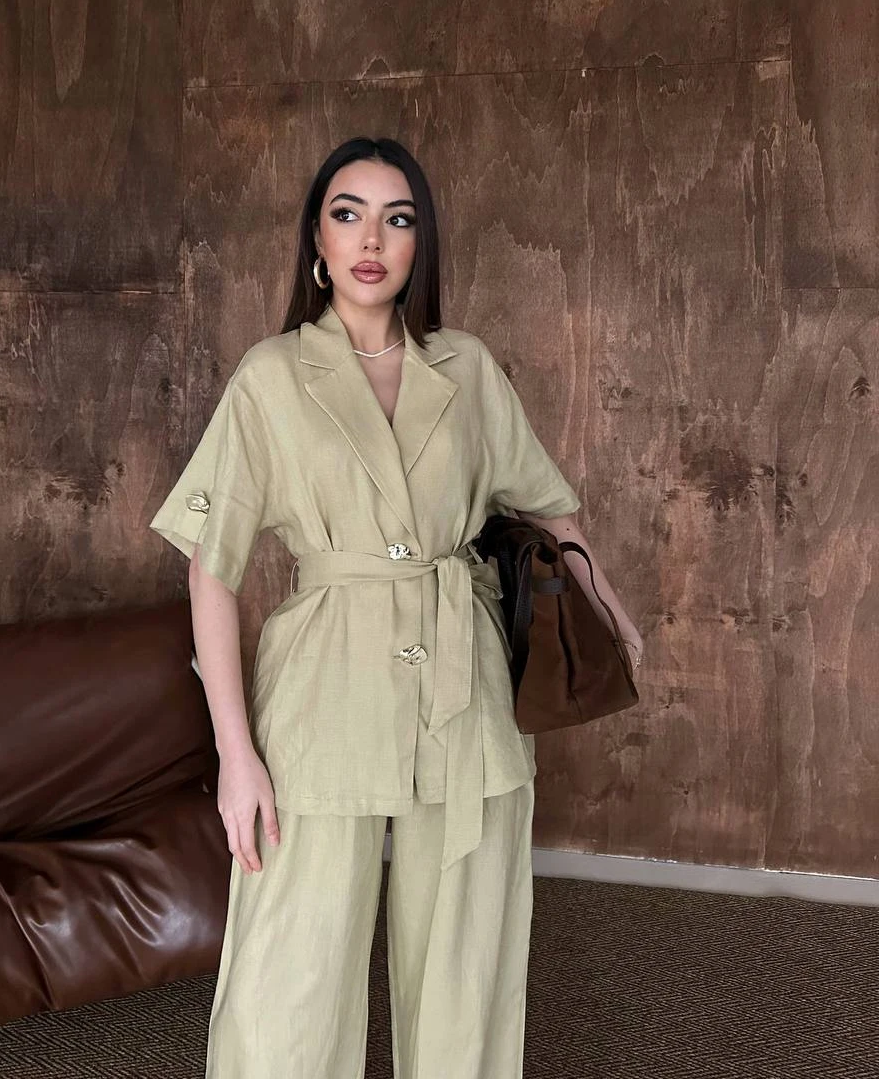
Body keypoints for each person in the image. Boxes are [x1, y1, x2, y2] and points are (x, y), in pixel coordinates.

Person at [149, 136, 644, 1078]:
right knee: (290, 972)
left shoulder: (467, 367)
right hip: (323, 686)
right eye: (348, 214)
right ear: (317, 239)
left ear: (421, 243)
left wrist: (610, 613)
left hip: (466, 685)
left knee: (467, 965)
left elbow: (550, 507)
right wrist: (235, 754)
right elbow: (211, 573)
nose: (371, 239)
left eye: (397, 218)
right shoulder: (270, 377)